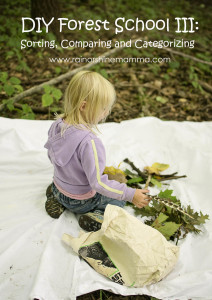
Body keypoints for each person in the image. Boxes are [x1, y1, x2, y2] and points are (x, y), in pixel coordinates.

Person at [44, 70, 150, 231]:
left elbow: (53, 158)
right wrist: (130, 194)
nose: (106, 113)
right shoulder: (90, 142)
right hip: (81, 201)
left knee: (62, 185)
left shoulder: (57, 125)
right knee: (119, 200)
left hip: (59, 188)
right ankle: (98, 215)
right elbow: (97, 183)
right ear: (84, 106)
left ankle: (56, 199)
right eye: (103, 109)